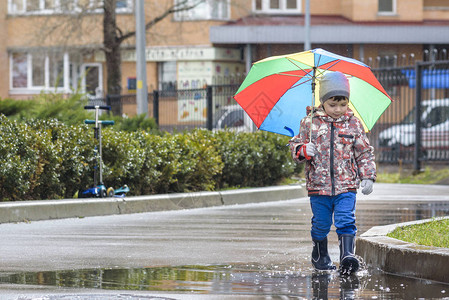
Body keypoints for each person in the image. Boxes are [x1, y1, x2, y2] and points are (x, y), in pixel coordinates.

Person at [289, 71, 376, 275]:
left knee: (346, 219)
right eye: (332, 104)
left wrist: (368, 176)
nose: (338, 109)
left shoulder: (353, 124)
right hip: (318, 187)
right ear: (322, 101)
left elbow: (363, 152)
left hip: (346, 185)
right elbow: (294, 147)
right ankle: (320, 254)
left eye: (343, 104)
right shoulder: (308, 123)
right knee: (322, 223)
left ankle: (347, 256)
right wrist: (303, 149)